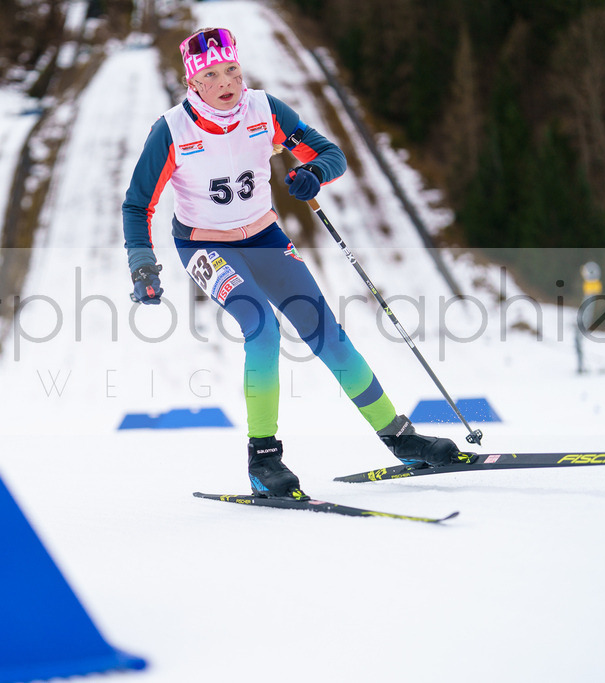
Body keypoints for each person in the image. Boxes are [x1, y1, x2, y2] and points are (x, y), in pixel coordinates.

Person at [122, 27, 463, 500]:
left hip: (265, 236)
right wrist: (143, 264)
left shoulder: (264, 111)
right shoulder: (172, 130)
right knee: (260, 326)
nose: (227, 83)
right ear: (192, 83)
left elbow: (330, 153)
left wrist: (312, 173)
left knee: (325, 331)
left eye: (233, 71)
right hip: (204, 246)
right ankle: (264, 459)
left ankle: (401, 439)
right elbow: (138, 205)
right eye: (213, 75)